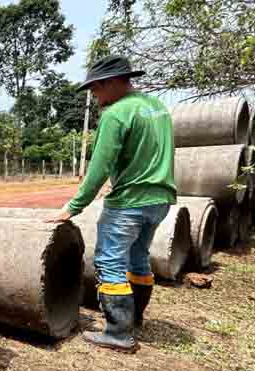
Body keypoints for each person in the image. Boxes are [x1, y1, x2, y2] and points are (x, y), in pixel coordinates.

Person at [49, 55, 176, 353]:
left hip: (130, 201)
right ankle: (135, 319)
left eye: (95, 89)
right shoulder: (156, 108)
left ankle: (118, 332)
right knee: (138, 256)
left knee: (109, 261)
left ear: (111, 82)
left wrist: (74, 206)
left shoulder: (116, 113)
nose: (95, 96)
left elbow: (100, 166)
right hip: (160, 198)